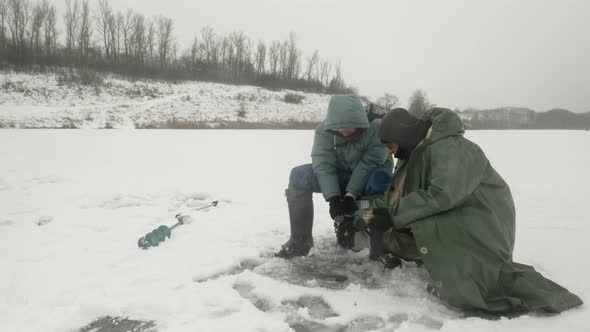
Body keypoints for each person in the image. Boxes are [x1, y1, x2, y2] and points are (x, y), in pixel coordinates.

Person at [355, 107, 583, 315]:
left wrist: (391, 214)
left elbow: (443, 194)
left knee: (483, 282)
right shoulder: (414, 154)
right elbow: (395, 196)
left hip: (481, 224)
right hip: (455, 219)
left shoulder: (451, 147)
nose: (391, 153)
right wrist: (361, 217)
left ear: (402, 136)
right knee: (392, 236)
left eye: (390, 145)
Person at [275, 94, 393, 259]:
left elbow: (369, 164)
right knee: (298, 175)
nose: (343, 132)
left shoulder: (377, 128)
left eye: (349, 127)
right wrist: (334, 198)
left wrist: (351, 195)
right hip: (342, 173)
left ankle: (377, 243)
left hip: (371, 174)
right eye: (339, 128)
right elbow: (323, 165)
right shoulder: (324, 131)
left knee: (380, 180)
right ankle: (300, 241)